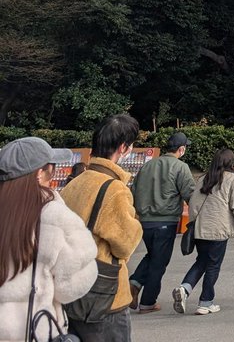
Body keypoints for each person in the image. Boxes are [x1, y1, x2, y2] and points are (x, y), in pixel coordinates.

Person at [0, 137, 98, 342]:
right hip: (34, 331)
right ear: (39, 173)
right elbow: (70, 288)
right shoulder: (54, 216)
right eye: (51, 168)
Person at [59, 114, 144, 342]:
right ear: (123, 147)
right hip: (105, 297)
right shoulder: (115, 189)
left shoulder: (74, 184)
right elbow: (125, 244)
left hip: (72, 289)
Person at [172, 147, 234, 316]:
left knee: (202, 261)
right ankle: (205, 302)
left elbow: (193, 204)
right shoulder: (232, 179)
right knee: (213, 265)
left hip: (200, 229)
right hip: (218, 229)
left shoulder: (203, 179)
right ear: (230, 162)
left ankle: (184, 288)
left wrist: (194, 224)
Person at [129, 132, 195, 314]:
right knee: (159, 262)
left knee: (152, 255)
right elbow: (190, 194)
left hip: (144, 221)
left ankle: (134, 283)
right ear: (181, 149)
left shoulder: (147, 165)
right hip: (165, 220)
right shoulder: (180, 167)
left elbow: (134, 191)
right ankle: (147, 302)